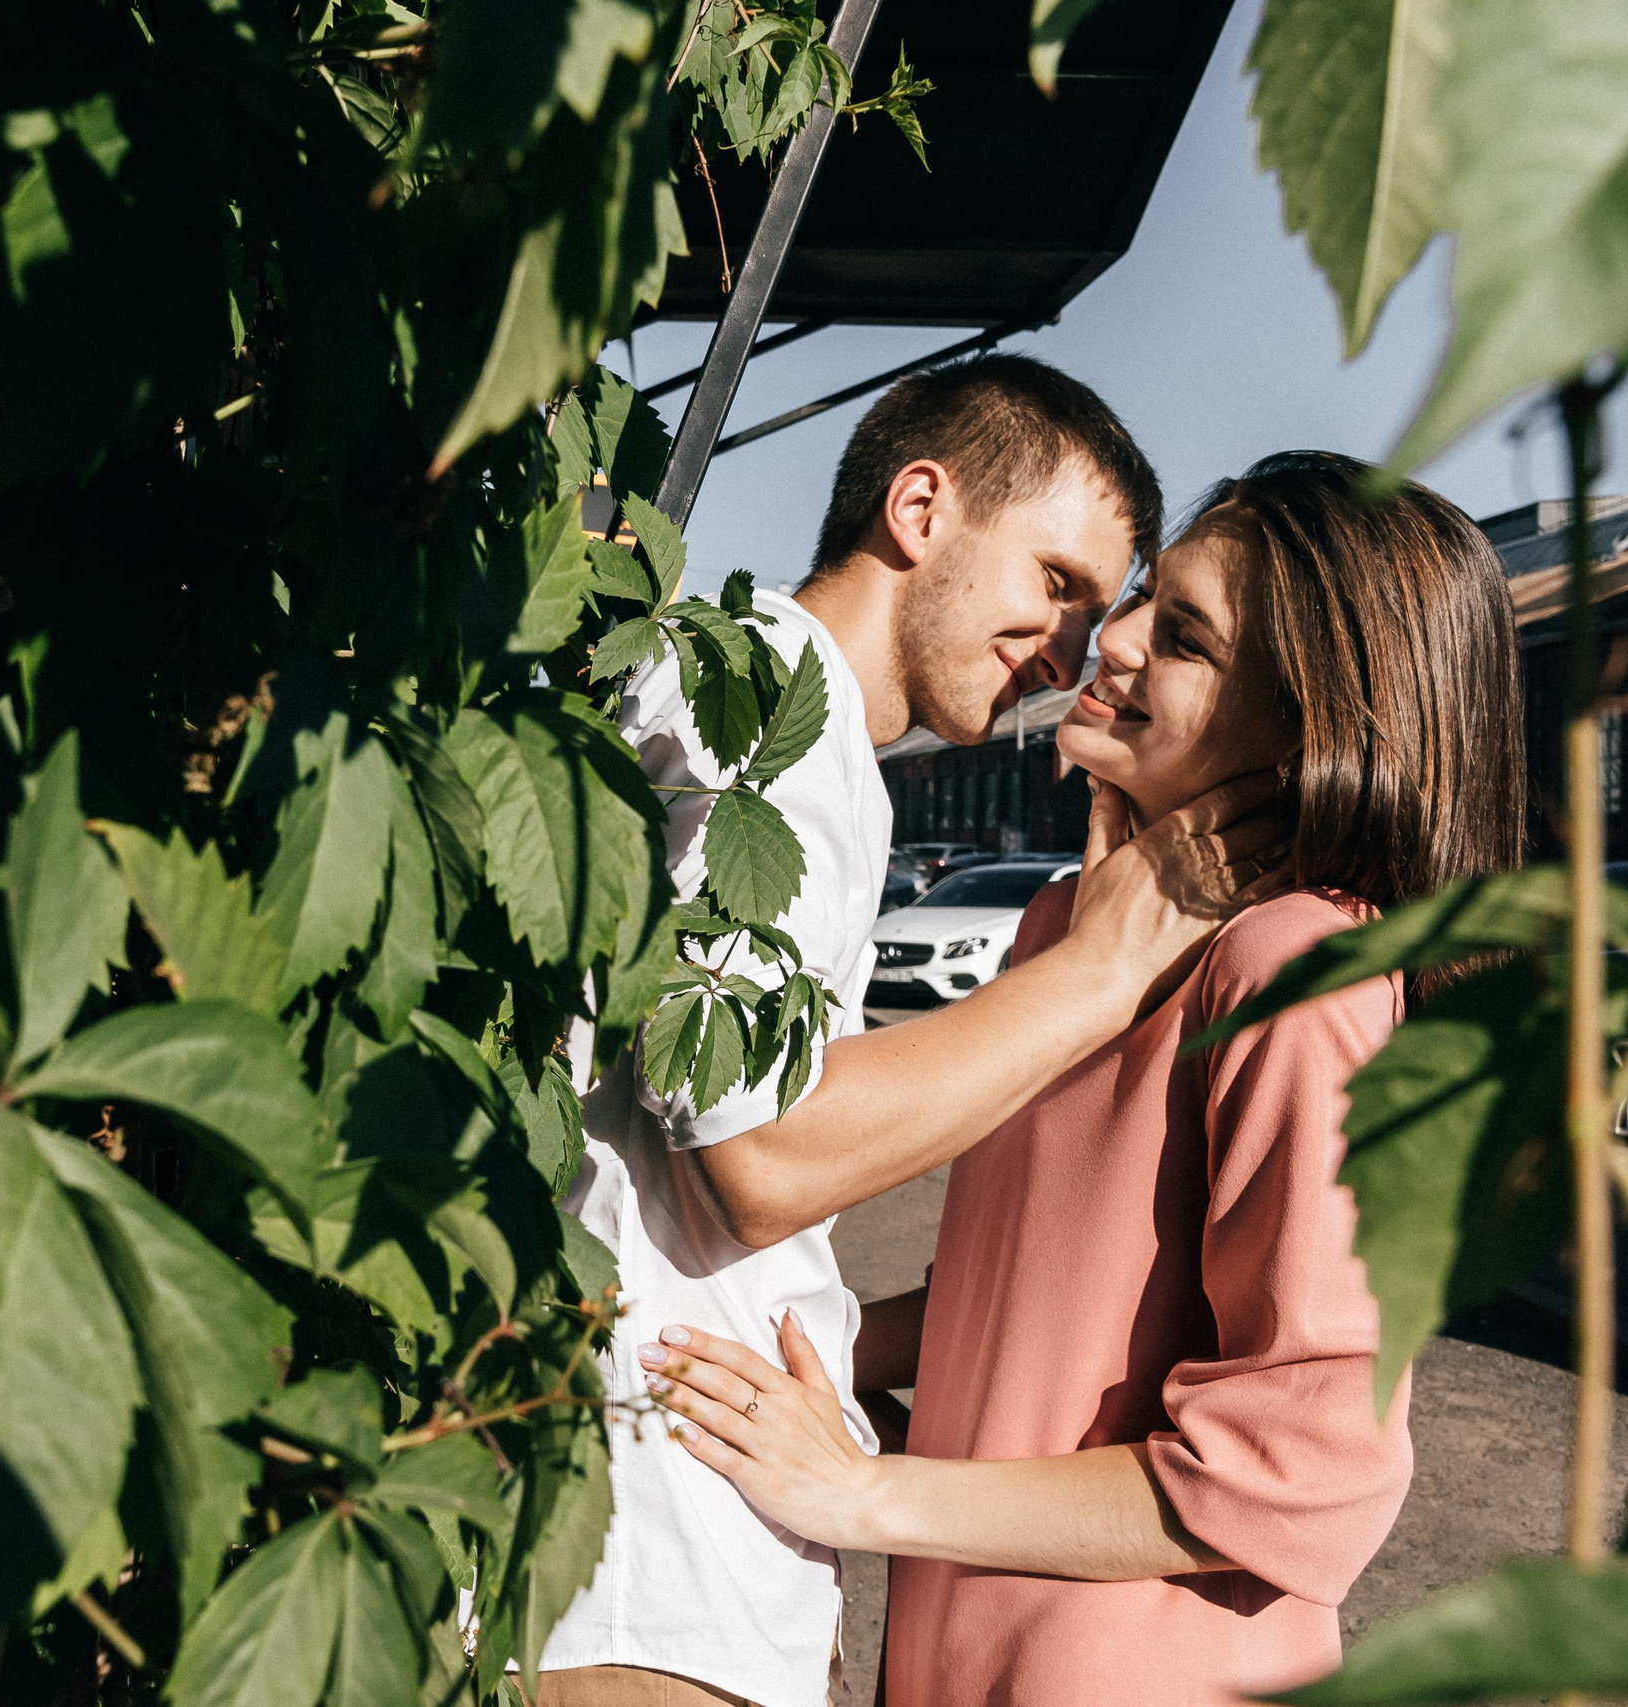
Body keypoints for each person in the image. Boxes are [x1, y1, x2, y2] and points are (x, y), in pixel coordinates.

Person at [643, 451, 1527, 1706]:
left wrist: (856, 1490)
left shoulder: (1297, 967)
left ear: (1301, 724)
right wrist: (788, 1348)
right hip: (962, 1656)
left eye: (1181, 636)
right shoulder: (1065, 930)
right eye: (1140, 603)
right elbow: (1035, 1300)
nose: (1102, 646)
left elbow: (1299, 1466)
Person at [540, 358, 1292, 1707]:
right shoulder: (775, 709)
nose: (1072, 650)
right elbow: (756, 1155)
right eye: (1057, 581)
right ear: (923, 506)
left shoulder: (803, 737)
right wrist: (1098, 971)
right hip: (643, 1570)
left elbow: (694, 1192)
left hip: (677, 1544)